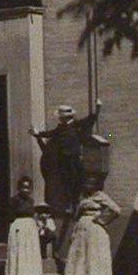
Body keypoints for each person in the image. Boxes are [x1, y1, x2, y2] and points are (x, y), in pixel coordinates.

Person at [31, 101, 102, 252]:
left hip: (73, 160)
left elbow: (90, 119)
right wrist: (38, 134)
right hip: (63, 160)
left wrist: (98, 109)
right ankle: (70, 202)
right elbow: (50, 133)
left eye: (62, 117)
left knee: (74, 180)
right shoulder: (60, 128)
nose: (60, 120)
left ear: (66, 117)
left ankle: (74, 202)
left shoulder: (76, 125)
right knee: (64, 180)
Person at [61, 175, 121, 275]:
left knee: (93, 254)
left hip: (95, 229)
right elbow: (77, 214)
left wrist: (102, 219)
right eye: (86, 184)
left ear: (95, 186)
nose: (87, 186)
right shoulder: (83, 198)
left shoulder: (101, 197)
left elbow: (116, 210)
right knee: (81, 255)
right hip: (82, 229)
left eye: (90, 184)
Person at [2, 176, 43, 275]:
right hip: (18, 226)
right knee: (19, 255)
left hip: (30, 228)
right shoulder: (13, 200)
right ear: (19, 188)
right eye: (23, 187)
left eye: (28, 188)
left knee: (29, 255)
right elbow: (9, 216)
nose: (26, 190)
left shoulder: (31, 202)